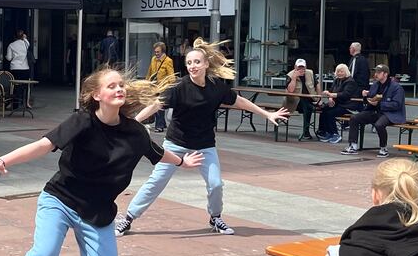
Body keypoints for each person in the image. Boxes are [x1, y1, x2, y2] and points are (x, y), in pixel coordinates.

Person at [0, 67, 204, 256]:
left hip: (98, 212)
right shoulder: (82, 121)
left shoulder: (135, 133)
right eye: (112, 86)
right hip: (60, 201)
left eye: (121, 86)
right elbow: (44, 145)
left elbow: (158, 153)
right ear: (96, 95)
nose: (119, 89)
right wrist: (5, 160)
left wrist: (183, 162)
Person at [115, 39, 290, 237]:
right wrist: (135, 122)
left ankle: (215, 217)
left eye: (197, 62)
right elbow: (156, 105)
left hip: (205, 145)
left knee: (215, 184)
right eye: (189, 63)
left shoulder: (216, 87)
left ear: (206, 64)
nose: (192, 66)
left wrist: (267, 114)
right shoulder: (179, 87)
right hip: (176, 144)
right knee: (156, 181)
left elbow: (239, 101)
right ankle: (128, 218)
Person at [341, 64, 405, 158]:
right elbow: (370, 99)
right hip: (375, 111)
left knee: (379, 124)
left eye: (379, 72)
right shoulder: (375, 84)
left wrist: (379, 104)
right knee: (354, 118)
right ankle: (352, 146)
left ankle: (383, 148)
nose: (376, 74)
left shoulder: (396, 87)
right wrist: (365, 96)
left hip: (390, 113)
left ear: (385, 74)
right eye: (376, 72)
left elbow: (396, 104)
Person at [317, 64, 360, 144]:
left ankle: (335, 134)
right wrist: (330, 98)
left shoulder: (350, 81)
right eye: (338, 71)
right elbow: (331, 90)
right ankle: (325, 132)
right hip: (339, 103)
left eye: (342, 71)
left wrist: (332, 95)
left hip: (348, 105)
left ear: (346, 72)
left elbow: (345, 95)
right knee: (324, 109)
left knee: (330, 113)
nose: (340, 73)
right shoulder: (337, 80)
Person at [284, 58, 319, 141]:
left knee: (310, 105)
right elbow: (290, 90)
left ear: (306, 67)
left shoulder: (310, 73)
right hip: (294, 102)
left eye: (303, 67)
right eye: (299, 67)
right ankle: (306, 132)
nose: (301, 69)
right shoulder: (290, 75)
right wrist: (294, 78)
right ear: (295, 67)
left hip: (310, 99)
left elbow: (317, 85)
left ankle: (321, 131)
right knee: (307, 105)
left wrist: (319, 98)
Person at [145, 42, 175, 132]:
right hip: (154, 86)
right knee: (155, 105)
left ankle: (159, 126)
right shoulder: (153, 59)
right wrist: (146, 82)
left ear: (163, 51)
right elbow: (150, 71)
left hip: (163, 87)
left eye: (158, 52)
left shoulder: (168, 61)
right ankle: (162, 124)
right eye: (155, 52)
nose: (156, 53)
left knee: (159, 106)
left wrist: (171, 86)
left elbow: (171, 75)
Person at [5, 29, 32, 107]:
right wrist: (25, 38)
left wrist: (7, 56)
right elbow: (28, 44)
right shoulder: (26, 44)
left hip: (15, 68)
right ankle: (26, 102)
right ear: (23, 36)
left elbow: (9, 58)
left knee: (14, 85)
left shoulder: (11, 45)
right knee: (26, 86)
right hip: (25, 68)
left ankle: (13, 103)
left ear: (14, 36)